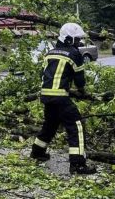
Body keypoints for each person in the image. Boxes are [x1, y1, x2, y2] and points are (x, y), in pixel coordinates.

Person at [30, 22, 97, 175]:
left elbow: (47, 75)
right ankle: (78, 165)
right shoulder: (74, 54)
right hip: (60, 98)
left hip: (46, 96)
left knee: (50, 124)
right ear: (69, 39)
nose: (79, 43)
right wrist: (82, 92)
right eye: (77, 40)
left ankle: (37, 152)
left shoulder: (50, 53)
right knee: (76, 126)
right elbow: (80, 80)